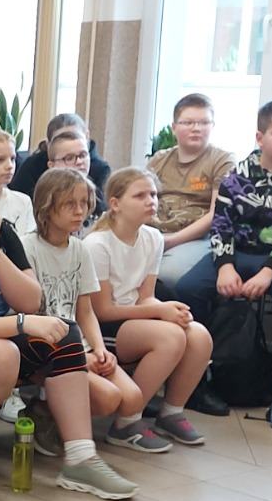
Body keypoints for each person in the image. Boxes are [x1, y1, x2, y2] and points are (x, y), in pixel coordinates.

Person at [0, 156, 139, 500]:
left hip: (0, 334)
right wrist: (21, 323)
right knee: (3, 353)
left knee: (64, 331)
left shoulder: (0, 232)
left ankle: (81, 457)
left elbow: (31, 300)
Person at [25, 169, 155, 452]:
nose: (80, 211)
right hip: (44, 346)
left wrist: (99, 349)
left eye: (84, 203)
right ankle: (44, 410)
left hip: (78, 342)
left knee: (132, 400)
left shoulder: (80, 249)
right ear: (46, 205)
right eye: (69, 204)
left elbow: (85, 312)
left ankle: (53, 411)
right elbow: (27, 315)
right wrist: (82, 357)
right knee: (109, 398)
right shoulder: (28, 247)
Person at [85, 167, 212, 448]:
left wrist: (170, 310)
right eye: (140, 195)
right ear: (115, 203)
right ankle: (126, 422)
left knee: (198, 334)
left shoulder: (153, 237)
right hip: (103, 328)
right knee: (170, 337)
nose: (150, 201)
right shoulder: (97, 244)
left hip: (134, 319)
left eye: (153, 195)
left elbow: (146, 297)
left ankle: (171, 413)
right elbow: (102, 311)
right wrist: (159, 312)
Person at [175, 98, 272, 326]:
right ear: (260, 138)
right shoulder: (237, 174)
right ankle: (205, 345)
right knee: (188, 288)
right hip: (240, 251)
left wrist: (267, 273)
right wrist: (225, 266)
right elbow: (221, 224)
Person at [146, 93, 235, 288]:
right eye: (188, 122)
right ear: (174, 127)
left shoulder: (222, 161)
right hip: (154, 232)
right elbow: (140, 201)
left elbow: (216, 214)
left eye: (204, 122)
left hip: (198, 238)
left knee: (166, 276)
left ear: (212, 126)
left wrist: (171, 241)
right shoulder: (159, 160)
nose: (196, 128)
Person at [12, 112, 113, 202]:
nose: (79, 162)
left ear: (86, 137)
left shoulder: (100, 169)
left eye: (83, 155)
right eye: (69, 158)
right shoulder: (32, 165)